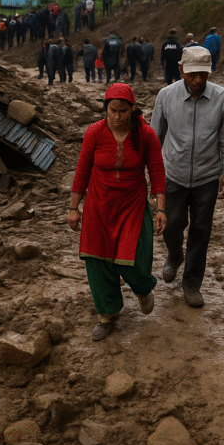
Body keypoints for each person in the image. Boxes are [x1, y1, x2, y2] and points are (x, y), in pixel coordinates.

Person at [69, 83, 167, 341]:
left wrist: (160, 209)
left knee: (135, 256)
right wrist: (73, 207)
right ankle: (107, 314)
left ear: (132, 110)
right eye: (112, 110)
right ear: (105, 109)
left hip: (132, 205)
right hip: (99, 206)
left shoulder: (146, 135)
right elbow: (82, 170)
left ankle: (143, 289)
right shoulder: (94, 133)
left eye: (122, 111)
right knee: (98, 259)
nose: (116, 116)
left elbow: (157, 172)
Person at [151, 46, 224, 307]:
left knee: (201, 230)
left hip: (207, 177)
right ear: (181, 70)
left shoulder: (221, 97)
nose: (198, 80)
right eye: (192, 74)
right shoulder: (166, 96)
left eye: (203, 74)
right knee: (171, 224)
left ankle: (192, 282)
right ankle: (175, 255)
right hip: (172, 175)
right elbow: (155, 138)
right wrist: (154, 177)